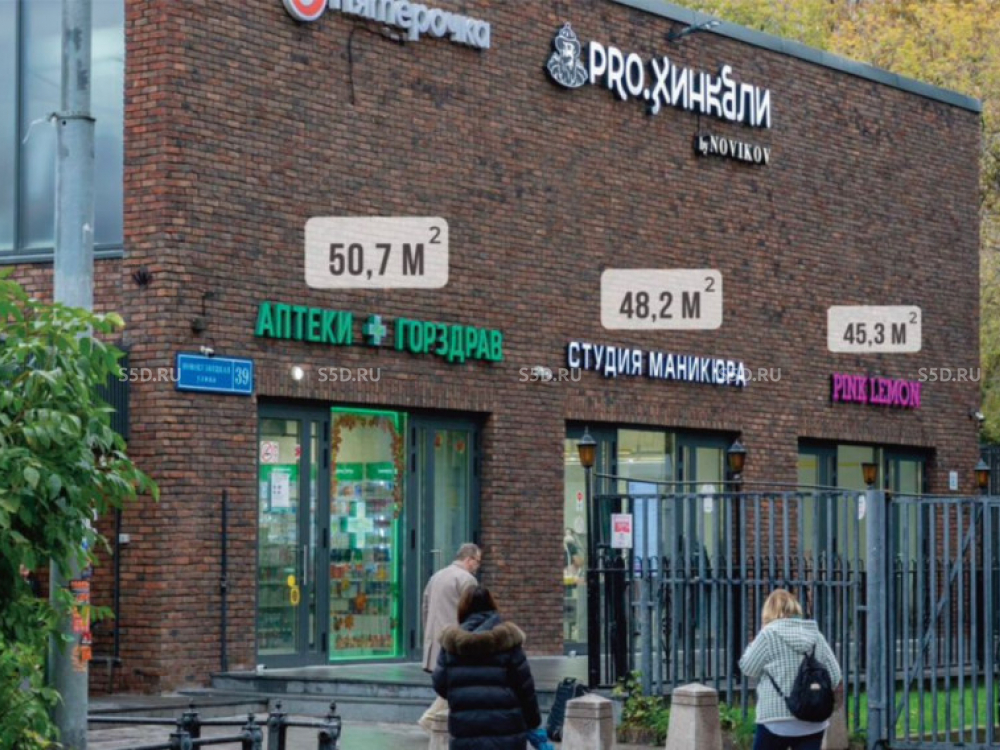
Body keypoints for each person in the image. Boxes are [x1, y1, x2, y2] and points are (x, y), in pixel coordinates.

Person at [432, 586, 550, 750]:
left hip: (466, 730)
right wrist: (533, 722)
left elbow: (440, 685)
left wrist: (462, 694)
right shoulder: (508, 640)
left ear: (463, 608)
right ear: (492, 605)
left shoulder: (451, 644)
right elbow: (525, 688)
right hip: (507, 730)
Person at [738, 589, 842, 750]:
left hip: (775, 719)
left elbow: (748, 668)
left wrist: (754, 642)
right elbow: (835, 676)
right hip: (813, 719)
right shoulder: (816, 636)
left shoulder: (768, 635)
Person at [418, 543, 481, 732]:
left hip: (436, 642)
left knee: (453, 684)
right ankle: (430, 718)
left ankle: (441, 721)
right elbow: (473, 614)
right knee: (457, 684)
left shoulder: (436, 576)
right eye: (477, 561)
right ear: (469, 560)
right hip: (456, 643)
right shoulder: (467, 580)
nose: (478, 566)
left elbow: (425, 608)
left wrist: (429, 636)